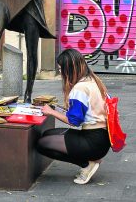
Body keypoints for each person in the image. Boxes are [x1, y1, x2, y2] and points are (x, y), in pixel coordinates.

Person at [37, 48, 110, 185]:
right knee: (48, 134)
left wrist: (51, 112)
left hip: (93, 141)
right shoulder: (94, 80)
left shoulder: (80, 88)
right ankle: (90, 161)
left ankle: (86, 164)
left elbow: (74, 121)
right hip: (103, 138)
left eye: (61, 69)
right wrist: (62, 109)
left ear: (69, 69)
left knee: (42, 144)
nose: (60, 73)